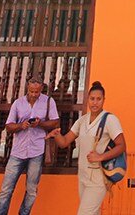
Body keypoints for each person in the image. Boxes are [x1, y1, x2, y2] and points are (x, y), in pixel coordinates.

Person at [47, 81, 126, 215]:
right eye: (92, 99)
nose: (95, 102)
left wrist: (101, 156)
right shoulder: (82, 120)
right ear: (87, 99)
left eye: (98, 99)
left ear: (104, 100)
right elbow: (64, 142)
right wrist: (56, 134)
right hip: (83, 177)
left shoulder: (110, 119)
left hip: (98, 178)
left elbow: (122, 145)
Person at [0, 77, 60, 215]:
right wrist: (21, 125)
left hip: (37, 151)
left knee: (31, 191)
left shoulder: (48, 101)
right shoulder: (18, 103)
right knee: (6, 190)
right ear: (27, 89)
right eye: (31, 91)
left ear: (41, 88)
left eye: (37, 91)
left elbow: (55, 122)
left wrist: (40, 124)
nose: (34, 94)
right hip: (17, 152)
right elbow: (8, 126)